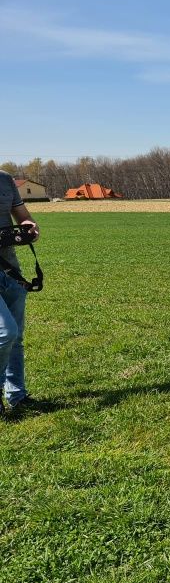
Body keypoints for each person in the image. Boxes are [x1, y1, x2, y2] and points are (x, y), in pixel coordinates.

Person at [0, 170, 39, 416]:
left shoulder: (5, 180)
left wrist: (29, 227)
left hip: (11, 271)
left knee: (17, 338)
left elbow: (22, 216)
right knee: (6, 332)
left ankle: (17, 395)